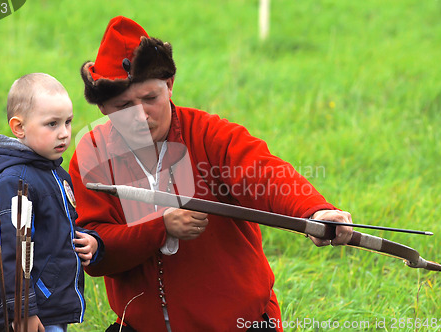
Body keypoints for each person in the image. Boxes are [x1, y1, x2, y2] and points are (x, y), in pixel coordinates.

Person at [69, 16, 353, 332]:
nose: (140, 115)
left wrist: (314, 211)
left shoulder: (209, 135)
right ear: (104, 108)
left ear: (169, 86)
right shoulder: (92, 155)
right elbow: (95, 251)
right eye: (124, 105)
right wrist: (160, 228)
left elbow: (265, 173)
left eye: (150, 98)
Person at [0, 73, 104, 332]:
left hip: (49, 308)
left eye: (68, 122)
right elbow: (7, 253)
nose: (64, 134)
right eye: (52, 124)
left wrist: (90, 241)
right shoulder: (12, 182)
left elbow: (57, 230)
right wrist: (23, 311)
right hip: (29, 315)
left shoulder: (53, 174)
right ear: (19, 127)